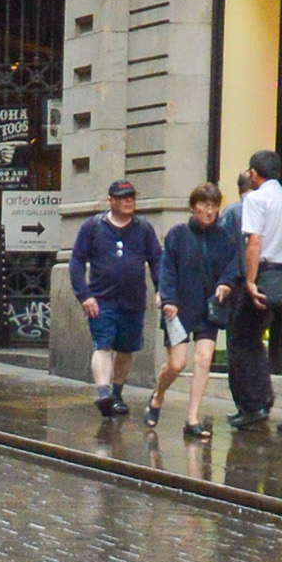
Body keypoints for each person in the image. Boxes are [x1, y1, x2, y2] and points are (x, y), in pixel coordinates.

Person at [227, 148, 282, 433]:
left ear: (254, 173)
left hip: (268, 271)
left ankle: (253, 405)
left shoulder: (255, 199)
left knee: (243, 337)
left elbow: (254, 242)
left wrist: (251, 281)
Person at [153, 182, 244, 438]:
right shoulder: (177, 235)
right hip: (179, 307)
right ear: (193, 207)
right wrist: (168, 298)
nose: (209, 210)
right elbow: (167, 269)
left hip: (208, 307)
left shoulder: (224, 237)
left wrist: (225, 284)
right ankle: (158, 395)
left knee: (203, 360)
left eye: (214, 205)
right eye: (204, 205)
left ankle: (192, 418)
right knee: (177, 363)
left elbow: (233, 265)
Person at [69, 179, 164, 421]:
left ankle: (117, 394)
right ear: (110, 200)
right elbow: (77, 261)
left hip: (133, 301)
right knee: (103, 344)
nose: (128, 201)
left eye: (131, 196)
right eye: (122, 197)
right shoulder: (94, 227)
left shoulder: (143, 229)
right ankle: (103, 393)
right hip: (101, 300)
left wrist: (161, 289)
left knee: (126, 348)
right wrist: (85, 295)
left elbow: (157, 260)